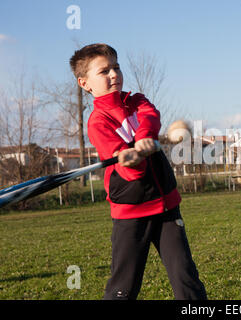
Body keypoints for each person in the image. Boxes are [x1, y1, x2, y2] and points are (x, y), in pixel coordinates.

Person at [69, 43, 207, 300]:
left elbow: (151, 116)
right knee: (123, 288)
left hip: (166, 206)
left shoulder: (136, 100)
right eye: (104, 71)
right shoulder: (98, 122)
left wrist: (143, 138)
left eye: (116, 67)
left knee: (187, 280)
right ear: (85, 83)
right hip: (131, 214)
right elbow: (129, 172)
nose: (114, 74)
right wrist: (131, 160)